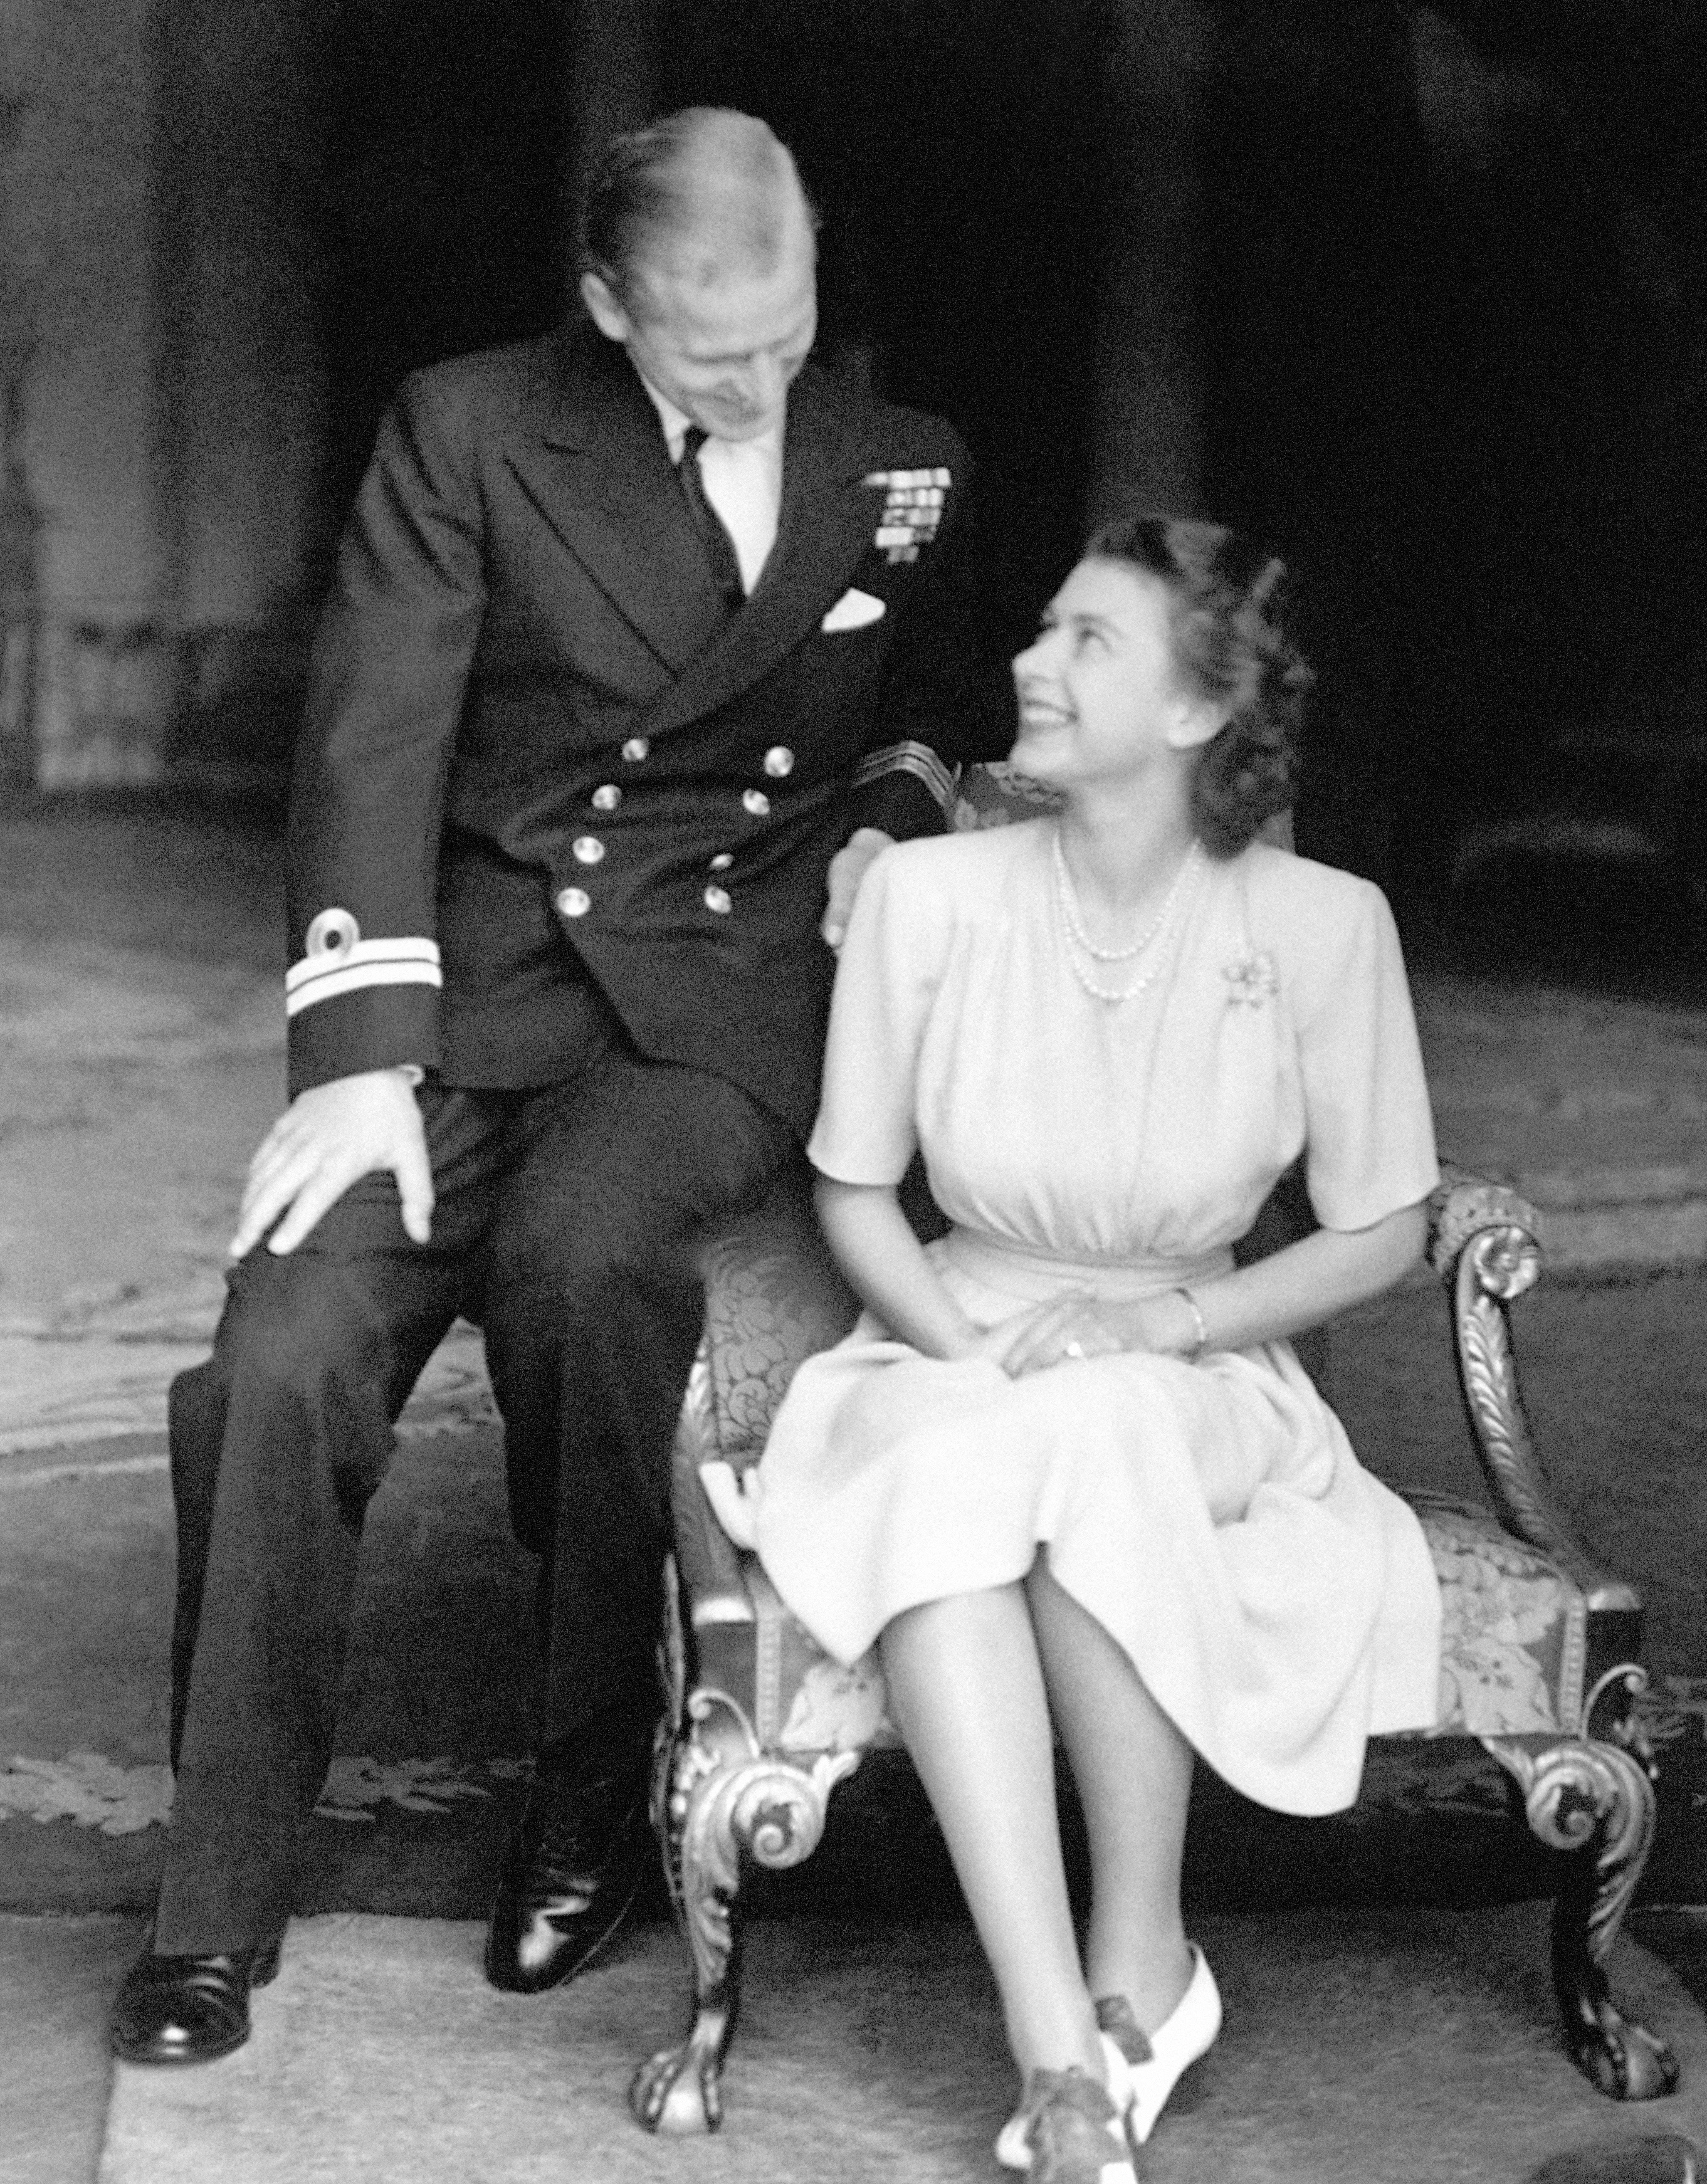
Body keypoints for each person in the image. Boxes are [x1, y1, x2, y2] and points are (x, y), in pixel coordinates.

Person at [110, 106, 996, 2066]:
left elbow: (938, 683)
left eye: (786, 336)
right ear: (606, 303)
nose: (760, 383)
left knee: (592, 1274)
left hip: (716, 1010)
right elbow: (375, 732)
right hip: (469, 981)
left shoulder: (900, 459)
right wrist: (353, 1060)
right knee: (279, 1344)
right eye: (709, 353)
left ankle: (591, 1781)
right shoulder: (471, 425)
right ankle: (215, 1896)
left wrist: (897, 803)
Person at [736, 517, 1443, 2182]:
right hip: (946, 1341)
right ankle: (1066, 2044)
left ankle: (1147, 1952)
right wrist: (962, 1354)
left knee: (1103, 1424)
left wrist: (1158, 1322)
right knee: (990, 1483)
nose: (1028, 667)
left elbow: (1383, 1229)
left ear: (1198, 712)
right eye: (1040, 629)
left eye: (1087, 642)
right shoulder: (924, 891)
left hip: (1195, 1374)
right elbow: (852, 1188)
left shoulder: (1327, 926)